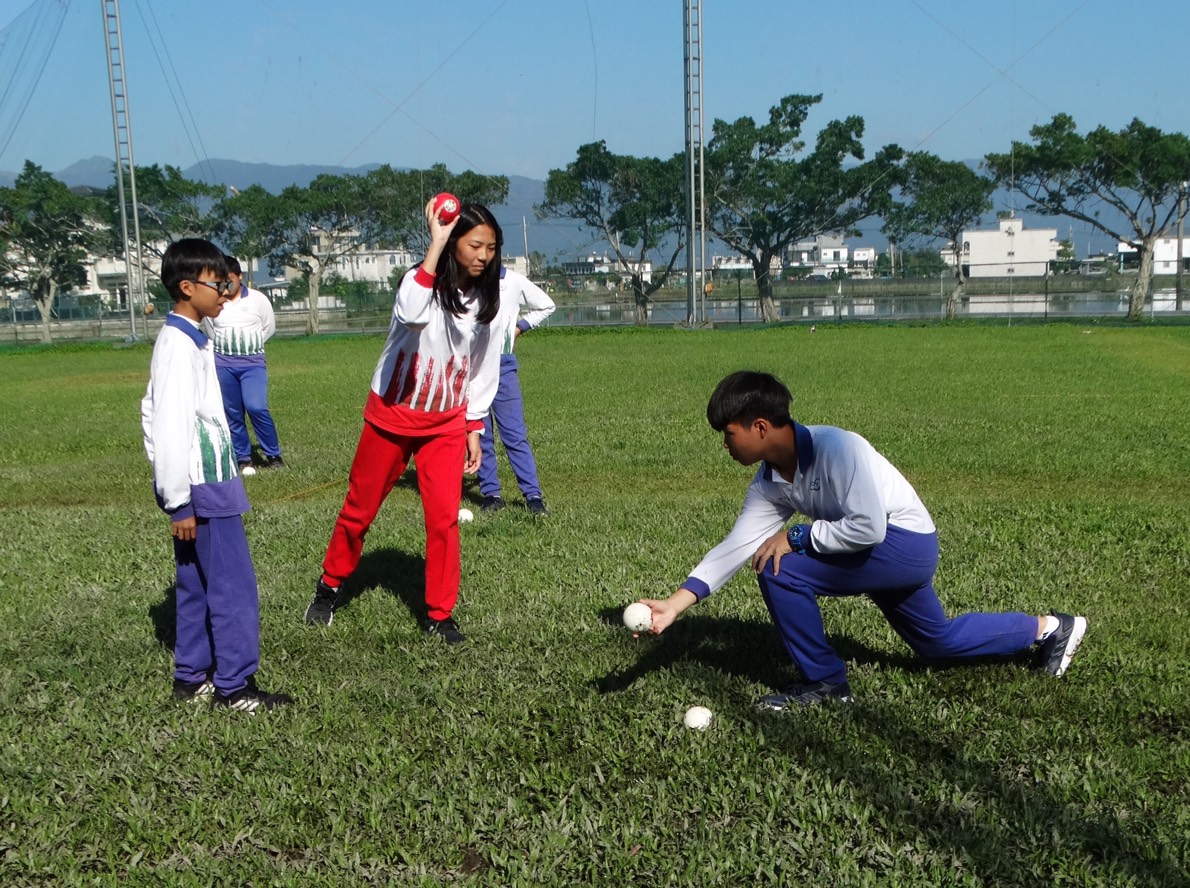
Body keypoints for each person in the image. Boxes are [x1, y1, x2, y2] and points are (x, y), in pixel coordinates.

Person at [637, 371, 1087, 709]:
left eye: (728, 434)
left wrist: (796, 535)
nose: (725, 445)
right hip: (875, 552)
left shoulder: (838, 448)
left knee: (781, 565)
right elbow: (737, 544)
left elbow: (868, 526)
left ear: (759, 427)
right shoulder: (770, 479)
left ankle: (826, 684)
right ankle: (1051, 628)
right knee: (936, 643)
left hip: (902, 545)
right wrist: (677, 603)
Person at [303, 201, 503, 642]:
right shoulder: (417, 282)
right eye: (474, 245)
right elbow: (412, 315)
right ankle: (329, 586)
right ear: (452, 243)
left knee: (443, 520)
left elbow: (482, 365)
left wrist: (474, 426)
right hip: (392, 413)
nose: (483, 255)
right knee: (359, 510)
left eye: (490, 247)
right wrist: (436, 241)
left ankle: (438, 614)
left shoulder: (488, 297)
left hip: (446, 422)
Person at [141, 238, 291, 712]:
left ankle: (191, 678)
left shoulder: (191, 338)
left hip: (198, 485)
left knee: (196, 584)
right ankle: (235, 687)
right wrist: (179, 500)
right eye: (218, 284)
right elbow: (165, 425)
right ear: (187, 288)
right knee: (233, 587)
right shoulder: (178, 347)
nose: (227, 292)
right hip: (204, 487)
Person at [476, 267, 555, 516]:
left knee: (514, 435)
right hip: (473, 368)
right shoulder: (465, 280)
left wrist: (520, 327)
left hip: (503, 365)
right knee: (481, 434)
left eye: (489, 246)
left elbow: (546, 305)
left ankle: (532, 495)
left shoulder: (513, 281)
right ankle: (491, 493)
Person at [202, 254, 283, 475]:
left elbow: (269, 327)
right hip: (223, 364)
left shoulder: (257, 299)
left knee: (256, 406)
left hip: (253, 364)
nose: (224, 285)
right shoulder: (215, 301)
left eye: (228, 279)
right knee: (233, 412)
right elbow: (210, 331)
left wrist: (248, 348)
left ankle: (273, 454)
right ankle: (243, 458)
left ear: (239, 276)